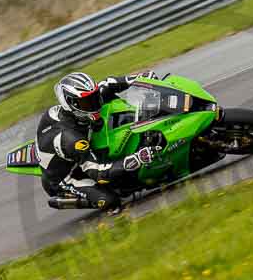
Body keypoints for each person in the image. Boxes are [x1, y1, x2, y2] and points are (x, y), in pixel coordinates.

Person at [36, 70, 160, 213]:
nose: (95, 104)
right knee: (111, 200)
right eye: (87, 102)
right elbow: (98, 172)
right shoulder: (73, 140)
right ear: (72, 104)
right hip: (66, 175)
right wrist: (136, 159)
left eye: (94, 98)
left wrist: (138, 79)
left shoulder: (79, 109)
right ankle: (79, 197)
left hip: (63, 144)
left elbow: (107, 84)